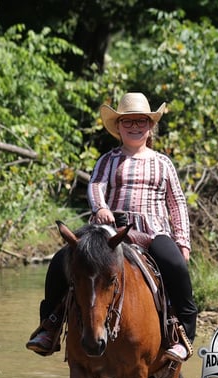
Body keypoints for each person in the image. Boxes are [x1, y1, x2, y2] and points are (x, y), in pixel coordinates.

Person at [26, 92, 197, 362]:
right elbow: (96, 186)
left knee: (175, 266)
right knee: (60, 261)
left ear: (150, 125)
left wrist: (183, 242)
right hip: (111, 231)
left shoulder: (163, 163)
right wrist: (101, 208)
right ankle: (50, 326)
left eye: (141, 121)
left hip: (152, 231)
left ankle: (183, 334)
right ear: (118, 126)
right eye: (128, 121)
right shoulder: (108, 160)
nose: (134, 126)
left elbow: (176, 203)